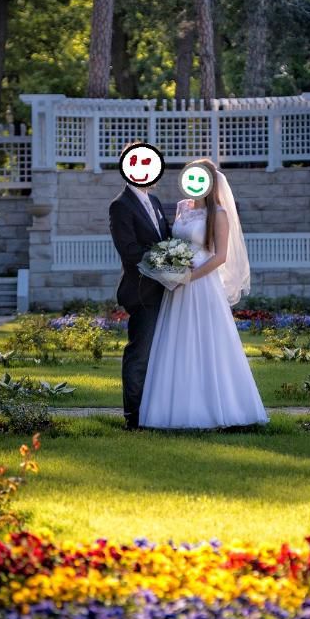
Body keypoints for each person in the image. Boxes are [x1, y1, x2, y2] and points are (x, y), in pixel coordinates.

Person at [139, 158, 269, 429]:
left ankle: (220, 409)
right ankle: (173, 409)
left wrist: (190, 276)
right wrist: (170, 268)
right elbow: (176, 243)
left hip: (202, 285)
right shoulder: (182, 208)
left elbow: (220, 256)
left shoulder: (218, 214)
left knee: (206, 343)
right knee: (177, 342)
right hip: (177, 287)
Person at [109, 146, 171, 431]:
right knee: (140, 355)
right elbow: (130, 251)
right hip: (142, 292)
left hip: (166, 289)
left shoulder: (154, 201)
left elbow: (165, 238)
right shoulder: (120, 205)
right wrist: (167, 264)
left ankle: (156, 413)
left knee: (161, 356)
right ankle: (133, 419)